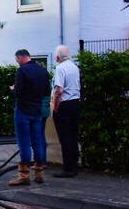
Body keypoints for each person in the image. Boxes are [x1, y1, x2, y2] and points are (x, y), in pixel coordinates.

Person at [8, 49, 51, 186]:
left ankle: (24, 176)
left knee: (24, 142)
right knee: (37, 141)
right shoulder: (43, 71)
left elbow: (18, 92)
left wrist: (13, 89)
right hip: (37, 110)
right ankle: (39, 173)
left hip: (23, 110)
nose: (17, 62)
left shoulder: (21, 71)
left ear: (20, 58)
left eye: (17, 60)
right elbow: (47, 91)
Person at [52, 45, 82, 178]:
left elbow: (59, 90)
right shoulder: (74, 67)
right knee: (73, 136)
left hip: (64, 105)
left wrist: (55, 106)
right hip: (75, 103)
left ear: (57, 57)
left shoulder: (60, 68)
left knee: (65, 138)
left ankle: (68, 169)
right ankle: (74, 166)